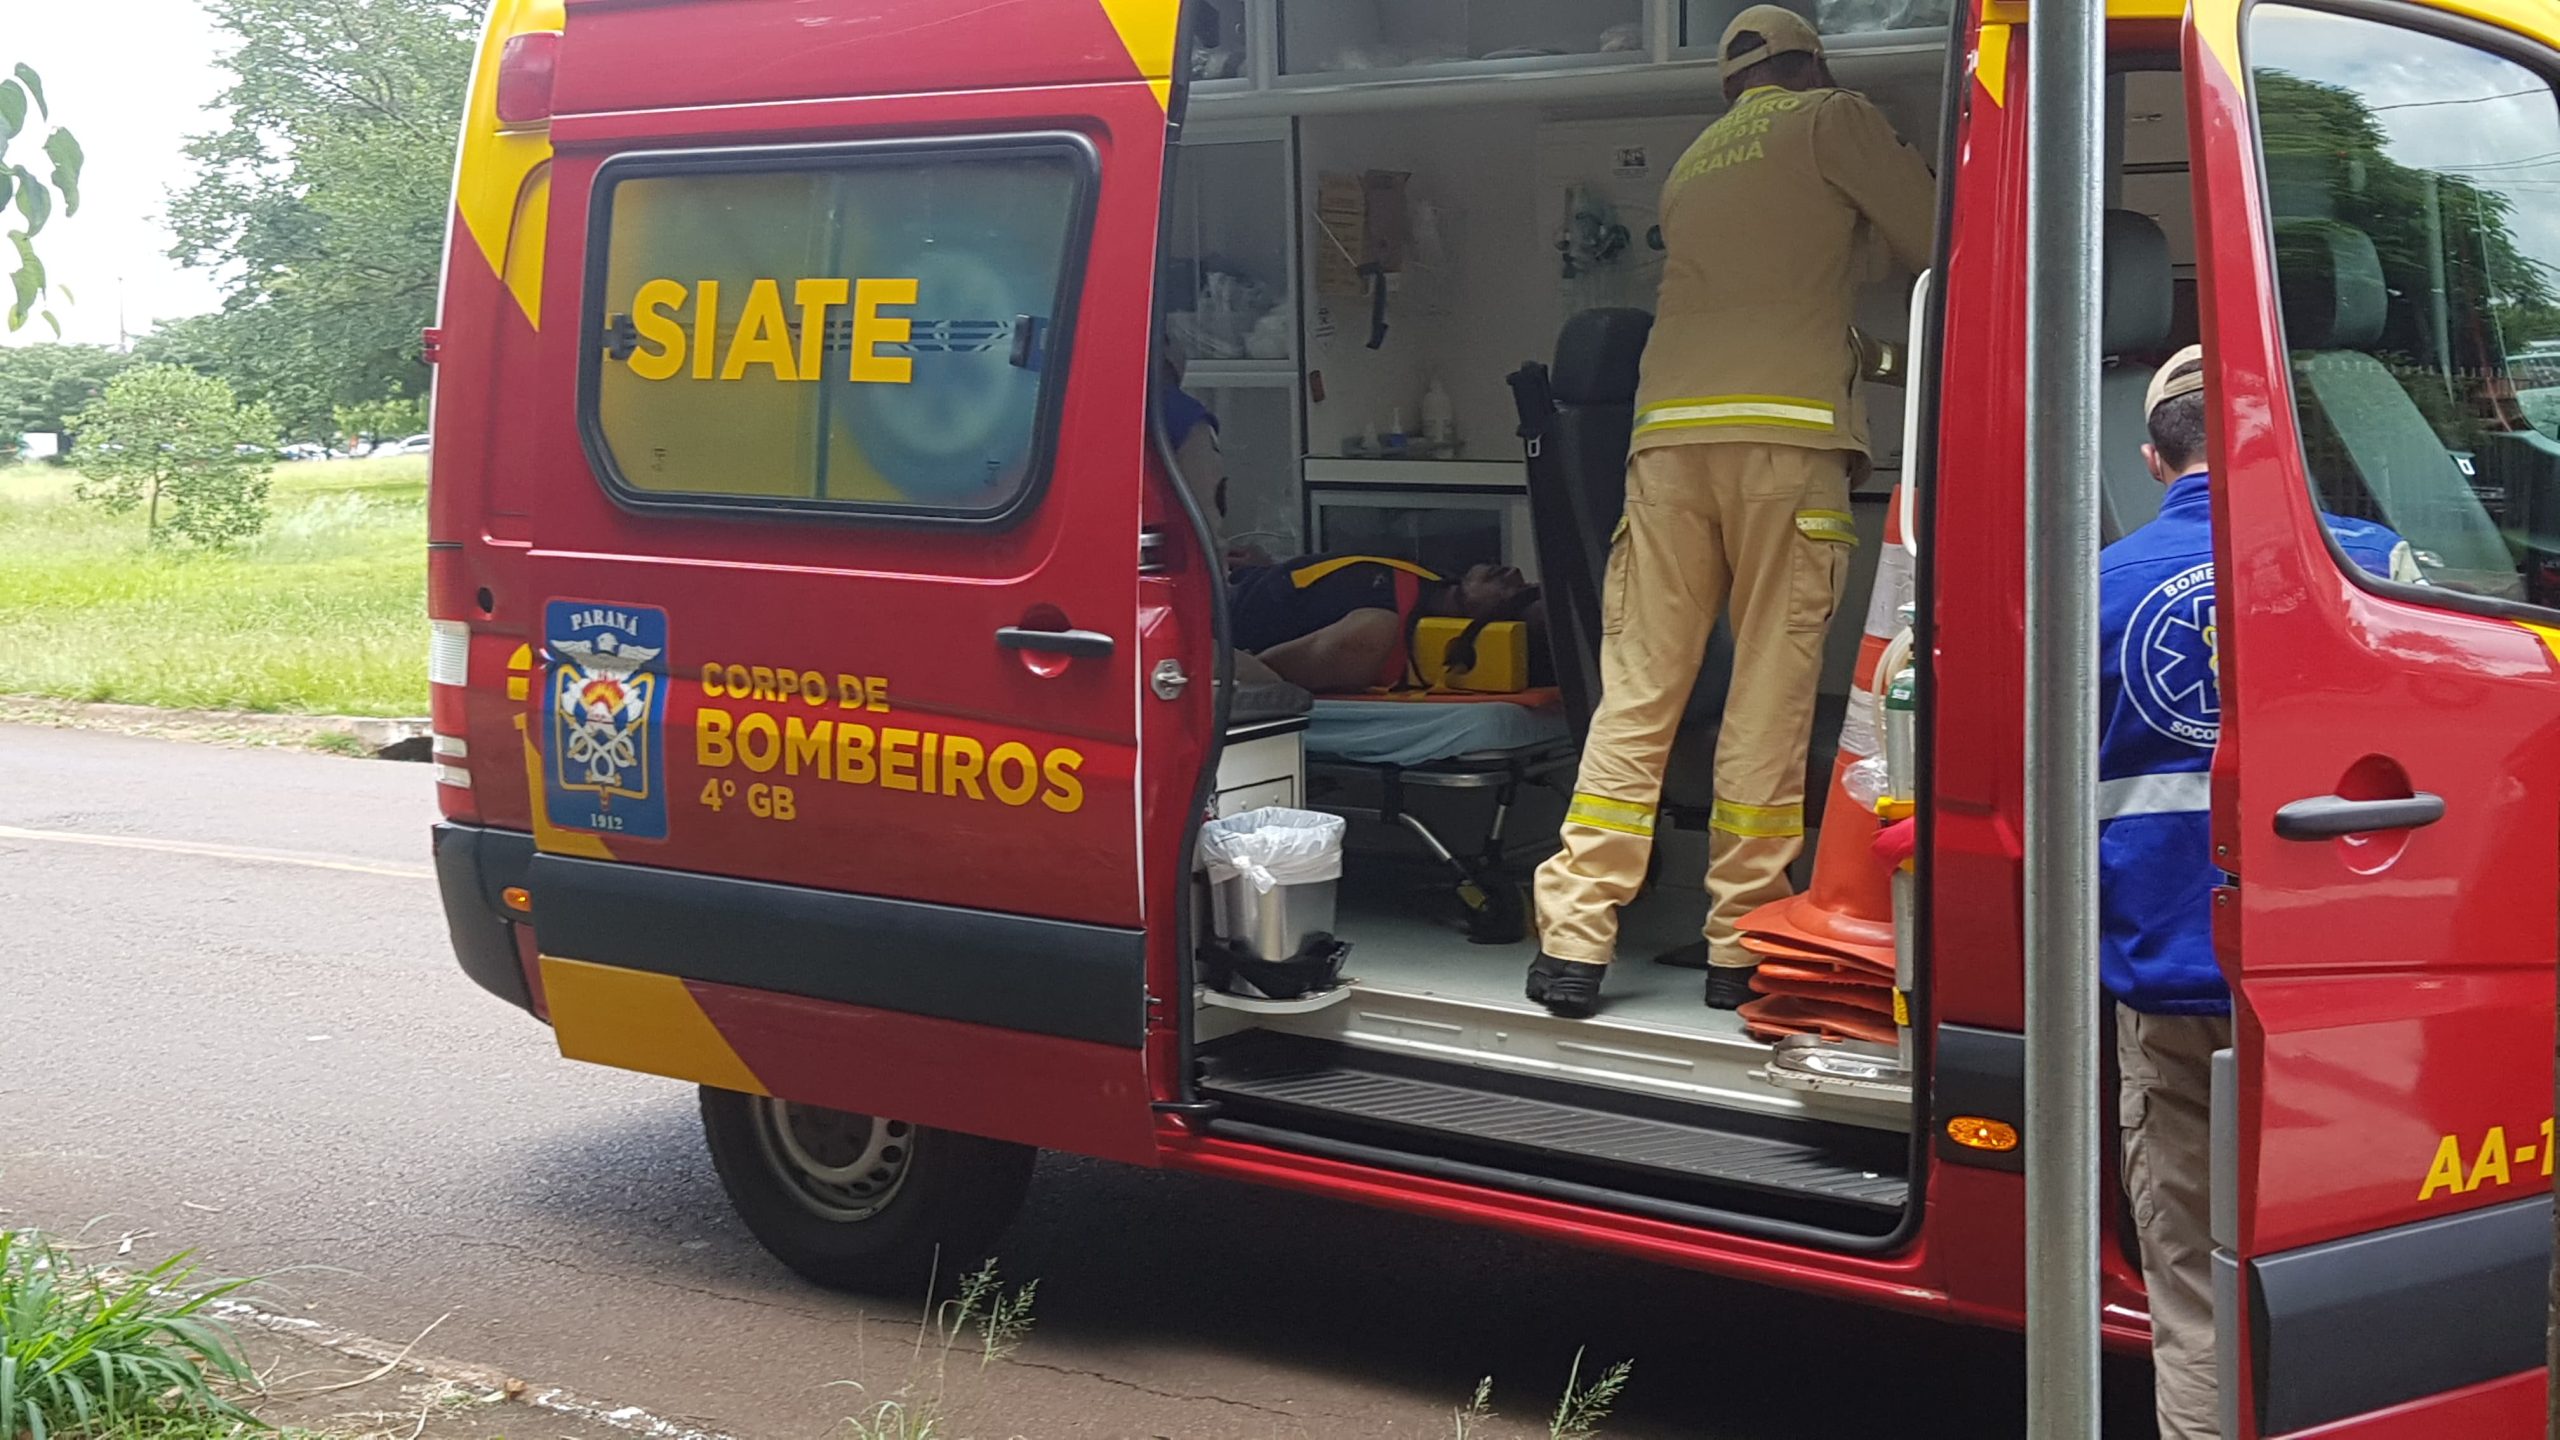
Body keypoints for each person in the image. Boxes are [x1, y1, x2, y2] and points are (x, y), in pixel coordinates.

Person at [1529, 4, 1938, 1019]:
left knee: (1638, 693)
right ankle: (1737, 939)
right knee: (1766, 693)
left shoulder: (1694, 161)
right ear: (1815, 64)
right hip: (1784, 452)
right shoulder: (1833, 118)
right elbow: (1934, 239)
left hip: (1664, 447)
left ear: (1729, 85)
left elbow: (1810, 286)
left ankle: (1574, 938)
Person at [2099, 345, 2414, 1439]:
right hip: (2340, 994)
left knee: (2189, 1289)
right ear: (2271, 437)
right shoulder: (2374, 564)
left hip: (2168, 981)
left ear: (2152, 460)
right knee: (2363, 1270)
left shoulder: (2093, 592)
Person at [1229, 554, 1538, 693]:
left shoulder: (1378, 632)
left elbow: (1251, 673)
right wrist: (1272, 568)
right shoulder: (1432, 580)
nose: (1513, 573)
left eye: (1516, 592)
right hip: (1236, 577)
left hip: (1217, 613)